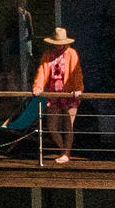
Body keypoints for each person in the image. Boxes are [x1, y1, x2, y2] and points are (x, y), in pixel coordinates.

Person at [30, 26, 83, 165]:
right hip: (53, 95)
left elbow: (76, 72)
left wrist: (78, 89)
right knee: (52, 127)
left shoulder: (72, 54)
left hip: (70, 94)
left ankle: (66, 153)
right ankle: (63, 150)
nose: (59, 46)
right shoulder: (47, 55)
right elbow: (42, 72)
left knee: (68, 126)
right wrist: (38, 87)